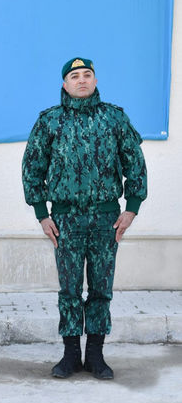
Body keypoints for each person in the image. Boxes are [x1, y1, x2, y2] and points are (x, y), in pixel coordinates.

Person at [22, 57, 147, 380]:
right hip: (66, 220)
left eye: (87, 75)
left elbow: (135, 163)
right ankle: (70, 354)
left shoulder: (114, 119)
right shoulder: (50, 121)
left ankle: (95, 354)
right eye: (74, 76)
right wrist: (42, 214)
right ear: (65, 84)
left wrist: (131, 207)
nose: (81, 80)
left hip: (106, 218)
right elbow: (32, 168)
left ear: (95, 80)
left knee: (101, 289)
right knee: (69, 290)